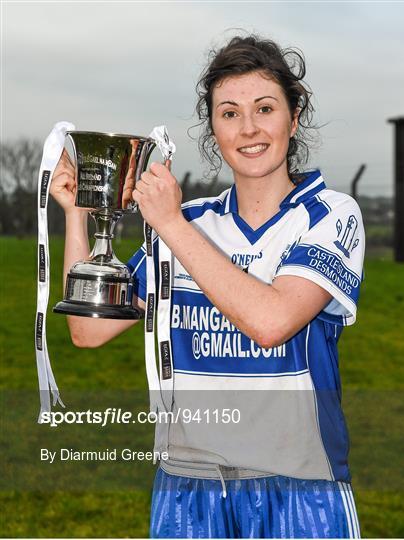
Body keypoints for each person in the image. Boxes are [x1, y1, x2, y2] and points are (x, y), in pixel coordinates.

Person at [51, 34, 364, 539]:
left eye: (265, 108)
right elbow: (89, 333)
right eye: (229, 113)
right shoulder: (192, 220)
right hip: (187, 492)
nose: (249, 129)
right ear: (212, 126)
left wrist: (172, 227)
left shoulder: (329, 215)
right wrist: (79, 217)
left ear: (294, 115)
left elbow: (270, 322)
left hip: (297, 490)